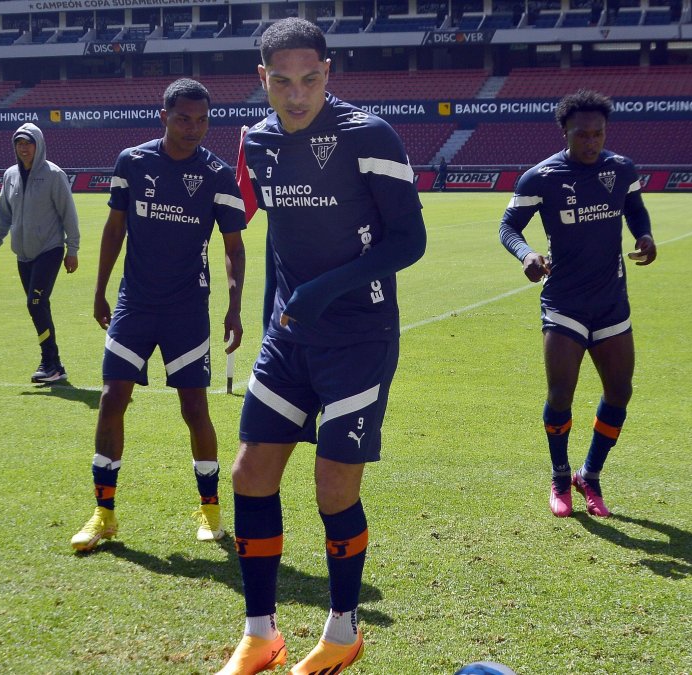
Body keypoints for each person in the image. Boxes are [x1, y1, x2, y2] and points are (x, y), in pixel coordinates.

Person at [216, 17, 426, 675]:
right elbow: (276, 240)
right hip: (288, 338)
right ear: (263, 80)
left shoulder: (370, 135)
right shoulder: (259, 143)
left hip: (359, 338)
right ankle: (261, 635)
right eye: (282, 82)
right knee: (249, 473)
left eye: (309, 80)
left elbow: (409, 241)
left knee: (332, 487)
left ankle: (342, 630)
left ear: (328, 74)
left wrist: (326, 290)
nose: (296, 94)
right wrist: (270, 314)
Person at [69, 78, 248, 552]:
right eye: (184, 118)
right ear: (164, 115)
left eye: (203, 119)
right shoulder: (133, 161)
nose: (195, 128)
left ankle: (210, 510)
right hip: (135, 303)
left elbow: (233, 246)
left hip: (188, 308)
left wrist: (233, 304)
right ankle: (103, 514)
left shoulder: (217, 173)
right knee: (111, 397)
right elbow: (114, 228)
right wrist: (101, 289)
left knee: (195, 408)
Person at [498, 89, 657, 520]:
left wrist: (645, 236)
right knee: (561, 394)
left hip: (611, 303)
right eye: (582, 134)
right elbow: (509, 226)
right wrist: (526, 255)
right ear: (564, 132)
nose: (591, 142)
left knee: (619, 391)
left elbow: (635, 211)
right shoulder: (541, 177)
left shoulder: (621, 169)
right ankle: (559, 475)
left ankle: (591, 474)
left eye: (598, 134)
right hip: (564, 302)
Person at [0, 123, 80, 383]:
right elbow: (3, 214)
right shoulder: (10, 175)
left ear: (38, 144)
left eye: (28, 143)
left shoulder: (53, 175)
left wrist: (72, 249)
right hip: (23, 254)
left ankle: (50, 363)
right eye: (19, 143)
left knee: (35, 303)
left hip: (49, 249)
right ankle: (55, 365)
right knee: (38, 306)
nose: (23, 148)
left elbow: (68, 214)